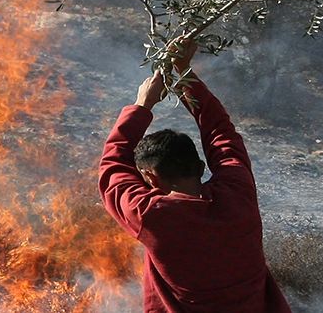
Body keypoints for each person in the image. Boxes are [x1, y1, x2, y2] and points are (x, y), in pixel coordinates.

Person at [99, 39, 292, 313]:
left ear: (150, 178)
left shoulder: (152, 215)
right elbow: (222, 135)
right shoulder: (238, 195)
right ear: (201, 167)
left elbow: (112, 165)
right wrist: (185, 73)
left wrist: (142, 105)